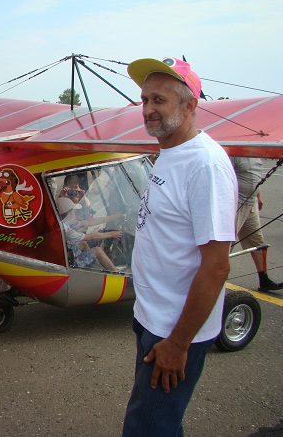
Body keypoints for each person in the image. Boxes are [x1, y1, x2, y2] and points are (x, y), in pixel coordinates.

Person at [122, 57, 237, 437]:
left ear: (190, 106)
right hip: (151, 316)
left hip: (173, 329)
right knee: (150, 419)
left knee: (148, 427)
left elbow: (217, 266)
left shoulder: (205, 165)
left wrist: (178, 343)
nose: (148, 109)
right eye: (144, 100)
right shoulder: (171, 152)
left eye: (159, 100)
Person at [230, 157, 282, 292]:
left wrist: (258, 195)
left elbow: (254, 177)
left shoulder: (255, 155)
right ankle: (214, 279)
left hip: (251, 203)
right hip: (236, 203)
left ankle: (264, 280)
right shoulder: (235, 155)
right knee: (225, 244)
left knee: (258, 242)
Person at [57, 197, 121, 271]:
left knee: (82, 243)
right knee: (97, 251)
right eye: (73, 212)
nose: (74, 214)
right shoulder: (67, 231)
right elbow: (91, 236)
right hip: (71, 263)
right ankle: (116, 272)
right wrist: (112, 234)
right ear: (67, 214)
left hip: (67, 253)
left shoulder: (65, 223)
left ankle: (98, 266)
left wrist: (114, 217)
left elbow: (89, 222)